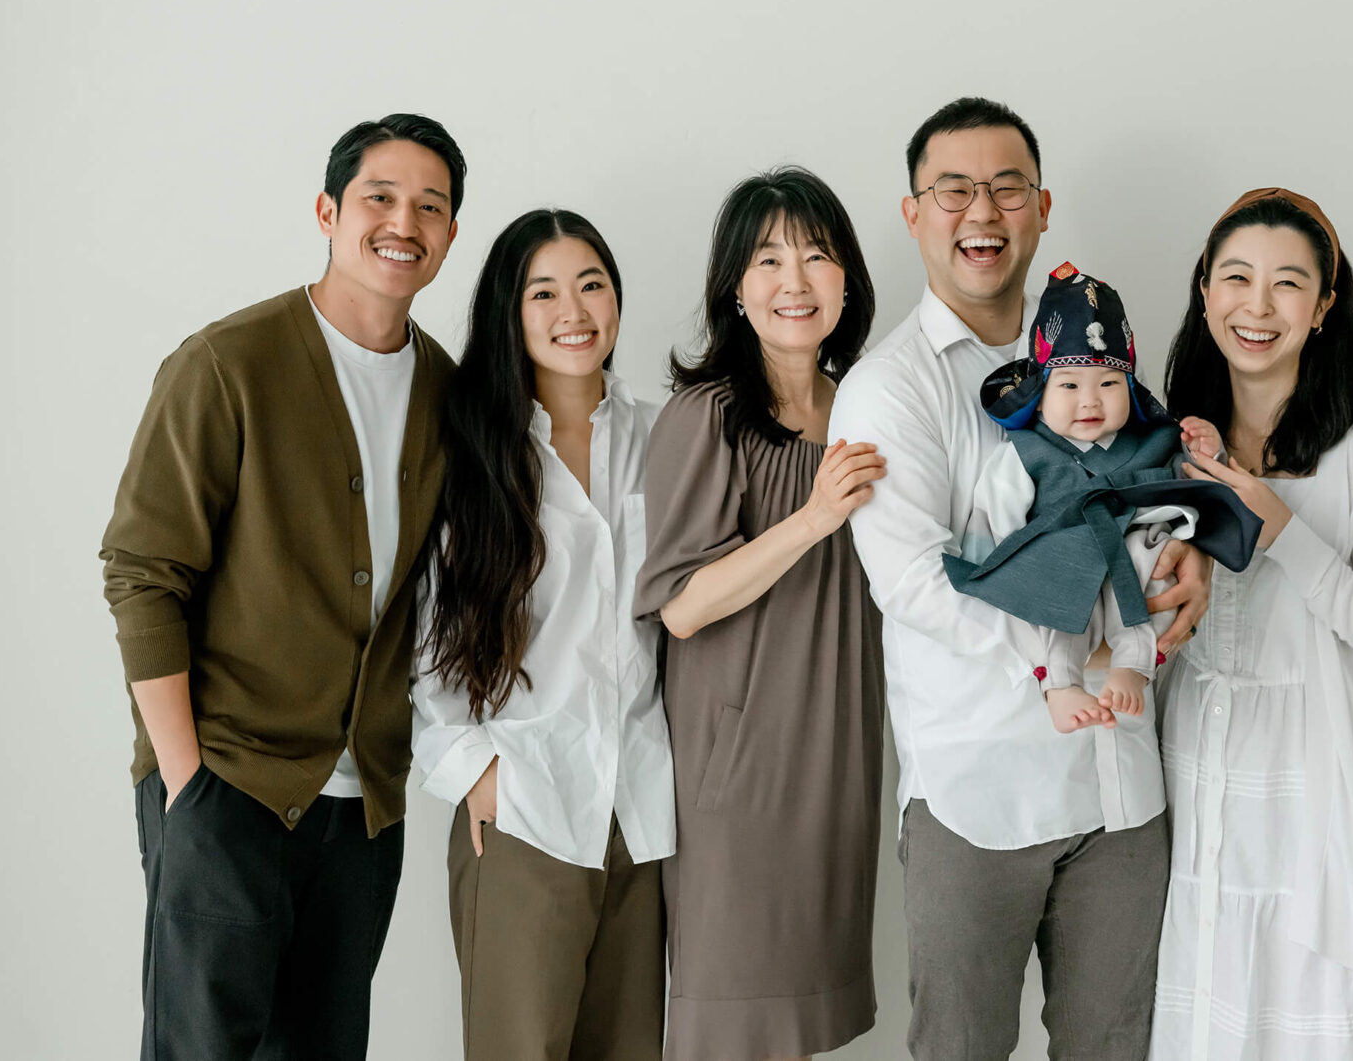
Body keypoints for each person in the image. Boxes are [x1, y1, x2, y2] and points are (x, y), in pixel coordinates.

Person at [829, 96, 1213, 1060]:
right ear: (914, 214)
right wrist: (1068, 659)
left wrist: (1186, 558)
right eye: (953, 189)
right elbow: (914, 582)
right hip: (978, 793)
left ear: (1042, 207)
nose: (982, 211)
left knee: (1116, 1047)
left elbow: (1151, 502)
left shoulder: (1100, 360)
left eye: (1006, 187)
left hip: (1122, 788)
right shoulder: (891, 387)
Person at [101, 112, 465, 1059]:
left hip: (361, 815)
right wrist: (186, 785)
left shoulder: (447, 394)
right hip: (228, 785)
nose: (404, 222)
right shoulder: (228, 363)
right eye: (379, 197)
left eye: (431, 205)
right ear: (327, 210)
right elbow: (143, 573)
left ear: (451, 235)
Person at [1150, 188, 1353, 1059]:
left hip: (1319, 788)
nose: (1258, 305)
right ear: (1205, 294)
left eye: (1287, 284)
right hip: (1200, 769)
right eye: (1237, 277)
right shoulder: (1169, 446)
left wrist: (1280, 528)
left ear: (1323, 307)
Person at [633, 166, 887, 1061]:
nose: (794, 280)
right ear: (736, 288)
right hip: (736, 777)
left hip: (839, 757)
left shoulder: (867, 409)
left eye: (816, 256)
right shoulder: (707, 416)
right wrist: (815, 515)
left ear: (846, 278)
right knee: (732, 1024)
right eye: (769, 259)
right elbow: (683, 607)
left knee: (803, 1025)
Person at [411, 210, 674, 1061]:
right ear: (511, 312)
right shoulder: (475, 454)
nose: (574, 309)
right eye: (545, 290)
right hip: (526, 809)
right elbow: (430, 637)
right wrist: (475, 770)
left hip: (640, 808)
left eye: (592, 283)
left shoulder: (662, 435)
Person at [942, 261, 1262, 734]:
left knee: (1150, 559)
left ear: (1129, 388)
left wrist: (1206, 446)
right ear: (1040, 394)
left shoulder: (1151, 440)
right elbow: (997, 506)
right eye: (1069, 386)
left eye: (1108, 384)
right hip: (1061, 549)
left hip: (1131, 545)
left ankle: (1134, 663)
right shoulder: (1027, 450)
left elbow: (1191, 479)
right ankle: (1060, 683)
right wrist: (1015, 564)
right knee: (1056, 599)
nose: (1090, 401)